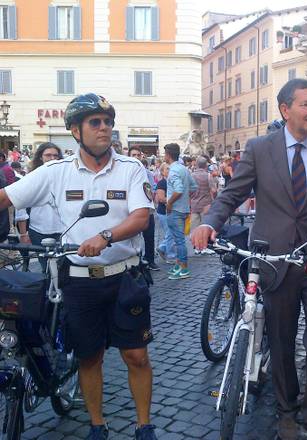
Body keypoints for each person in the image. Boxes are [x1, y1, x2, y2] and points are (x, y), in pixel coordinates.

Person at [192, 78, 307, 440]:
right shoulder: (260, 149)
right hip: (274, 262)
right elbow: (231, 194)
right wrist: (209, 223)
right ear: (285, 110)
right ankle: (286, 410)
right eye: (306, 105)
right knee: (280, 342)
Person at [0, 93, 157, 440]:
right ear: (75, 130)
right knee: (89, 358)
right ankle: (97, 425)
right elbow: (7, 197)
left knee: (136, 356)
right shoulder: (55, 173)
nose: (105, 129)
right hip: (80, 281)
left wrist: (105, 235)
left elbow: (141, 217)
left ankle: (144, 425)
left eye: (108, 122)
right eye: (95, 123)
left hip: (124, 277)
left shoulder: (131, 168)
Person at [15, 142, 64, 272]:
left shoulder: (66, 177)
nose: (52, 158)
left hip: (63, 230)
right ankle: (47, 291)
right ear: (41, 157)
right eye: (48, 155)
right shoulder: (31, 177)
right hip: (38, 230)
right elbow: (21, 208)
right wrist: (23, 233)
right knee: (45, 267)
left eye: (55, 155)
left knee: (63, 268)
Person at [163, 143, 197, 280]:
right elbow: (193, 187)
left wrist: (170, 203)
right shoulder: (183, 168)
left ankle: (184, 268)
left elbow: (178, 189)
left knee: (179, 241)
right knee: (179, 239)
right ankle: (178, 266)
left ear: (168, 155)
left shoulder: (174, 170)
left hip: (175, 209)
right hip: (183, 209)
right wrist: (185, 200)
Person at [128, 147, 159, 272]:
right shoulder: (124, 172)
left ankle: (150, 260)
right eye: (133, 155)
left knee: (149, 236)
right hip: (129, 211)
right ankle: (135, 260)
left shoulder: (147, 173)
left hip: (146, 210)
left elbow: (153, 190)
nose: (136, 157)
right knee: (131, 236)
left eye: (138, 155)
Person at [190, 156, 216, 255]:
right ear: (206, 165)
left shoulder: (191, 175)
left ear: (196, 165)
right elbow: (213, 190)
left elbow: (188, 190)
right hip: (206, 204)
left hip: (194, 204)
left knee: (195, 228)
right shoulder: (208, 176)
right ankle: (205, 247)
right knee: (205, 226)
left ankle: (196, 248)